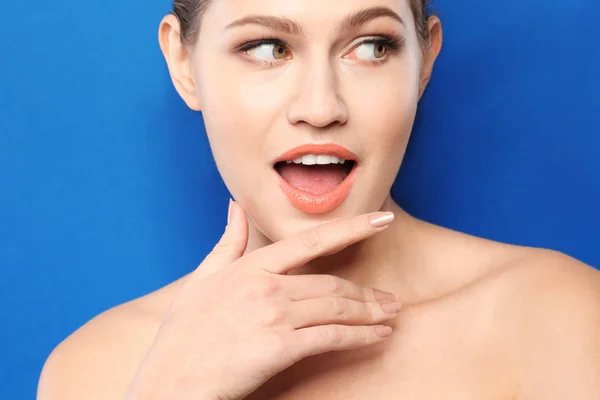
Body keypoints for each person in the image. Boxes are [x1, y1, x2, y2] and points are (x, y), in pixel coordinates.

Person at [37, 0, 600, 398]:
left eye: (371, 46)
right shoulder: (98, 371)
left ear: (424, 61)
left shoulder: (561, 319)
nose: (320, 105)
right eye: (265, 47)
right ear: (183, 64)